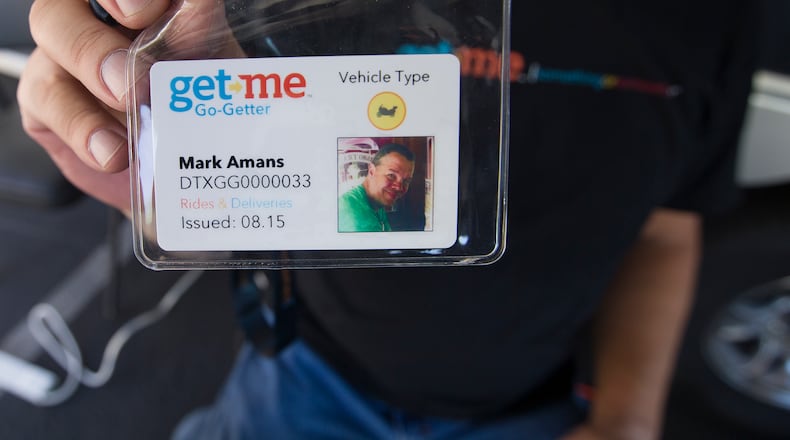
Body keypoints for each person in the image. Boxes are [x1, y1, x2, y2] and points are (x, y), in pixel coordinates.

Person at [18, 0, 759, 439]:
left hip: (537, 407)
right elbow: (229, 204)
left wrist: (628, 420)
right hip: (307, 379)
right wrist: (140, 171)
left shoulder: (715, 18)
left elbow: (668, 227)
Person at [338, 144, 415, 232]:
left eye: (406, 181)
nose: (399, 187)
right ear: (371, 171)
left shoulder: (375, 200)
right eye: (391, 176)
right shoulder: (357, 216)